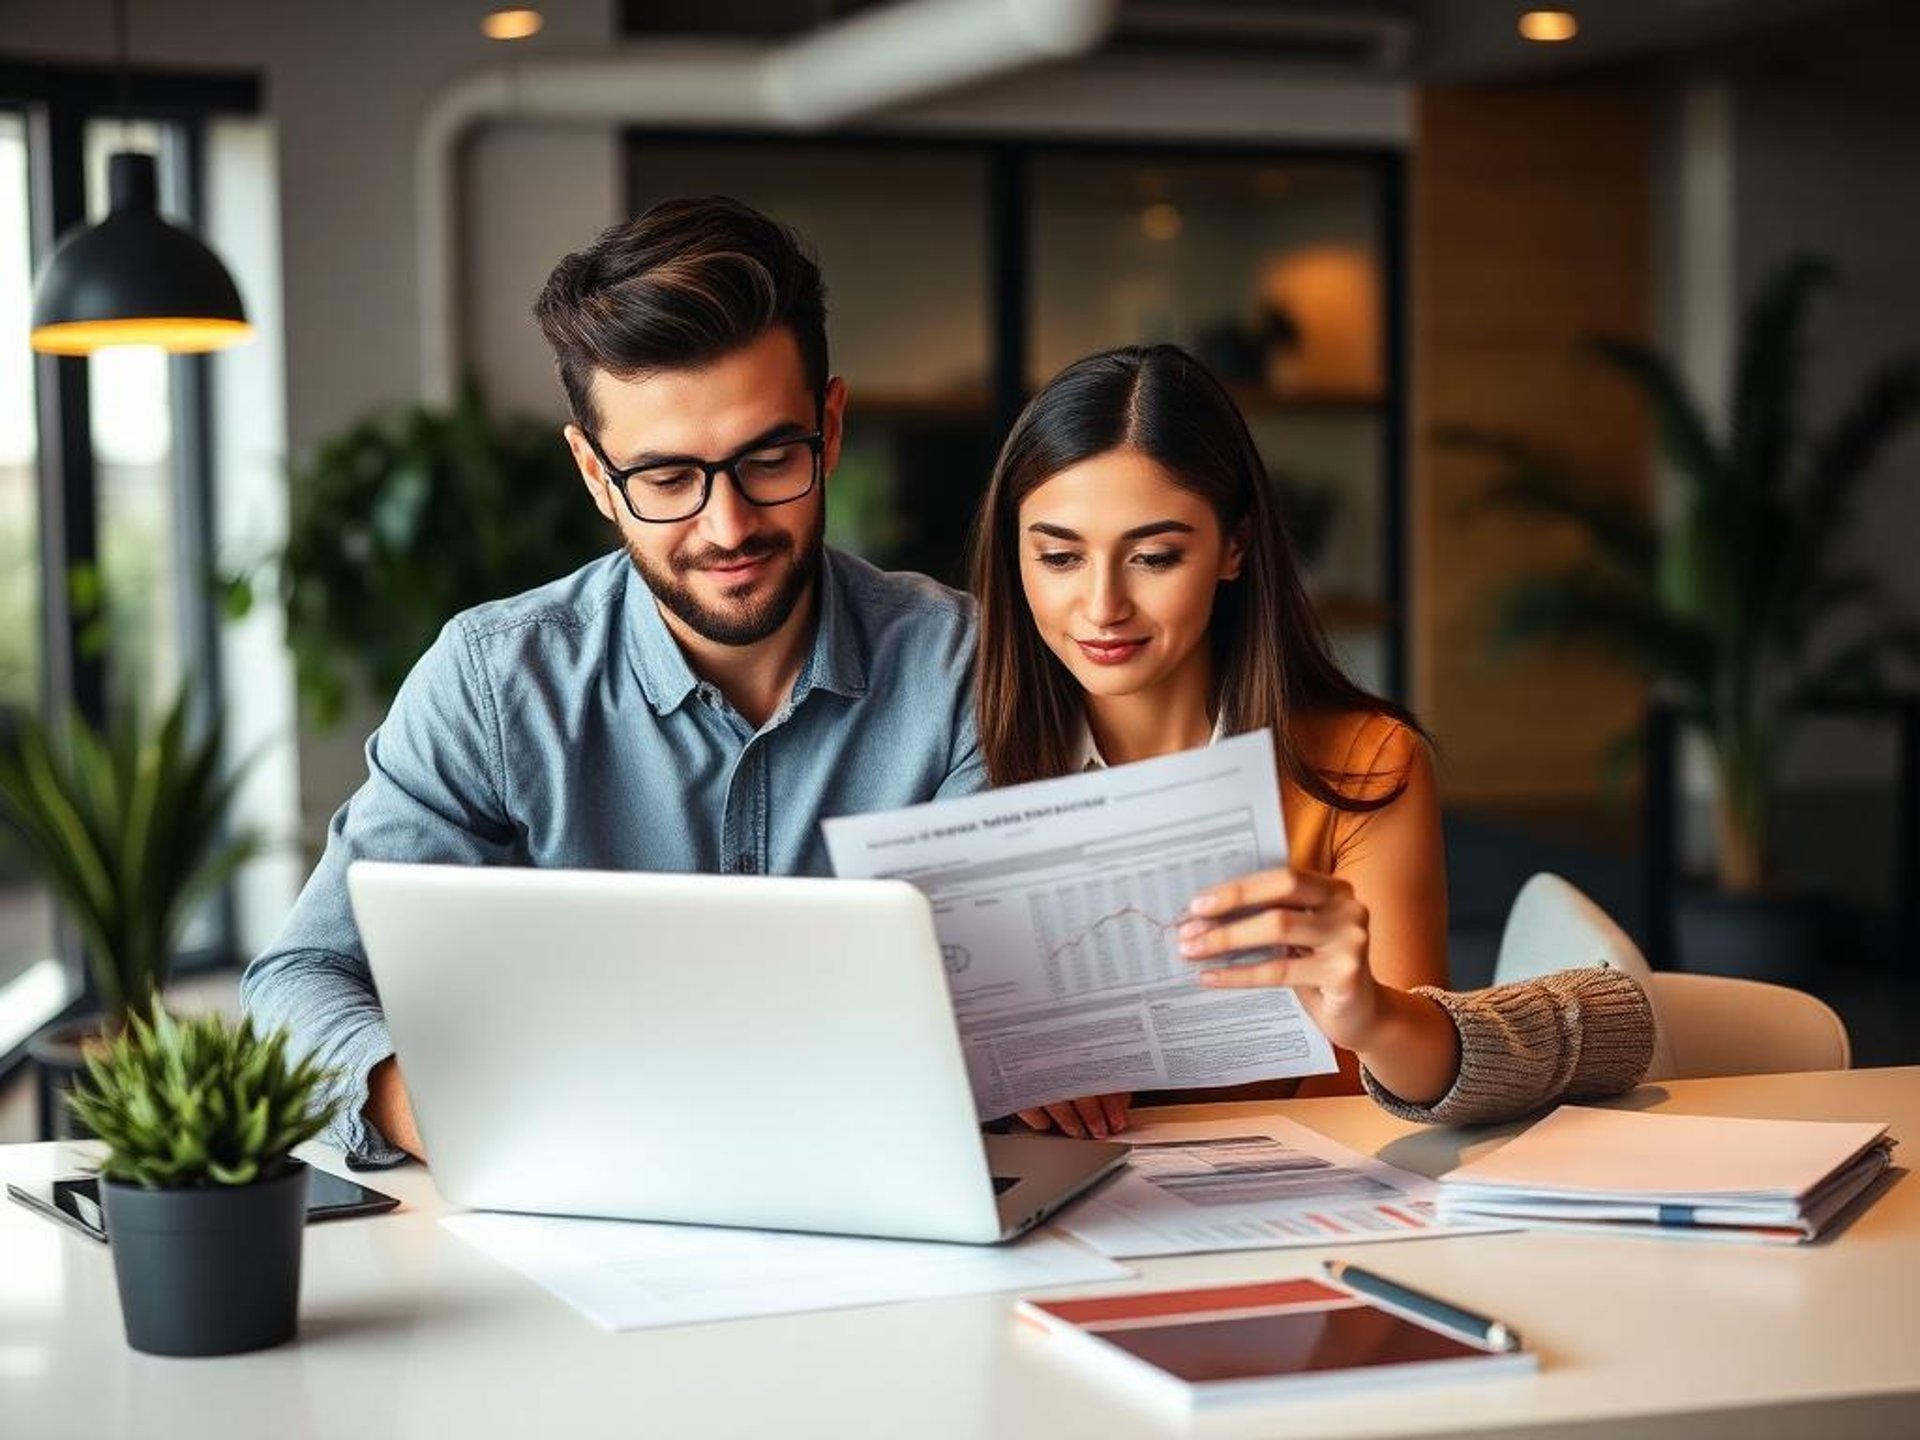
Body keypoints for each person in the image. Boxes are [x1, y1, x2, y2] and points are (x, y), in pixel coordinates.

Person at [242, 197, 985, 1165]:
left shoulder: (959, 662)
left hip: (892, 1183)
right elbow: (301, 976)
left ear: (830, 429)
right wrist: (441, 1112)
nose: (727, 528)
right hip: (574, 1200)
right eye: (667, 478)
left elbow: (1013, 990)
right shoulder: (494, 682)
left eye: (769, 459)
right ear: (595, 474)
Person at [969, 344, 1654, 1136]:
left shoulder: (1360, 765)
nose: (1101, 605)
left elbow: (1400, 1102)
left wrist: (1367, 1013)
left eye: (1155, 557)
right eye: (1058, 556)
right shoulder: (963, 749)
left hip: (1280, 1200)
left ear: (1234, 547)